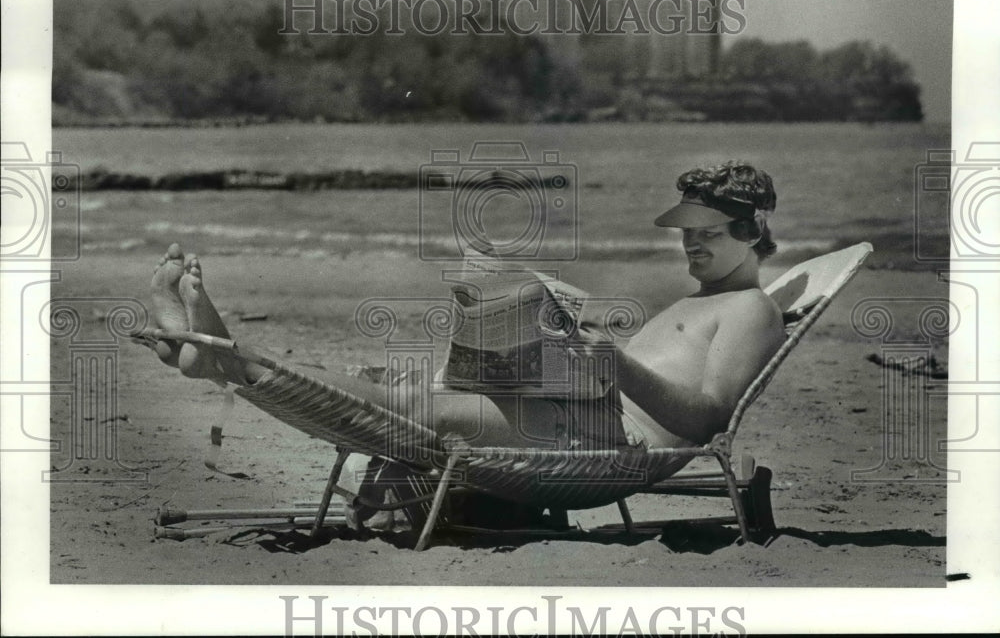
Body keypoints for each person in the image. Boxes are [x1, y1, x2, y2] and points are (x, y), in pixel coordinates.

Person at [147, 161, 785, 453]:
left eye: (709, 231)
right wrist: (568, 340)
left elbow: (706, 424)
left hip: (602, 437)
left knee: (409, 409)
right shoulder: (704, 300)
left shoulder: (752, 310)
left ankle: (222, 357)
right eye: (687, 230)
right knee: (385, 386)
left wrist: (613, 362)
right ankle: (216, 360)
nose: (691, 242)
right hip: (578, 411)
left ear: (752, 233)